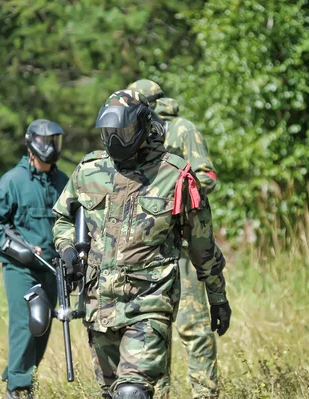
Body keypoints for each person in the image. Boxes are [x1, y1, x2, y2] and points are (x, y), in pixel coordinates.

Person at [52, 90, 231, 399]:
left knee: (132, 392)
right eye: (109, 134)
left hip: (149, 304)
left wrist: (217, 296)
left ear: (143, 128)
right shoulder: (89, 171)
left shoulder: (174, 176)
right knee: (110, 392)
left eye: (123, 133)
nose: (115, 142)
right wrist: (67, 249)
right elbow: (63, 220)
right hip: (99, 305)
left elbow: (202, 245)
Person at [128, 79, 220, 398]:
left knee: (194, 328)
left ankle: (204, 393)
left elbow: (207, 176)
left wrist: (174, 193)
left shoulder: (182, 129)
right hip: (148, 249)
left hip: (183, 248)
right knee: (152, 332)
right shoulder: (132, 134)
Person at [0, 119, 68, 399]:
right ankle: (17, 388)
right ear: (32, 143)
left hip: (52, 268)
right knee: (27, 323)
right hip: (21, 268)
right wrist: (22, 250)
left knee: (42, 328)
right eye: (45, 141)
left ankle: (22, 378)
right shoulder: (13, 180)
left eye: (54, 140)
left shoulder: (63, 182)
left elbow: (76, 221)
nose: (50, 146)